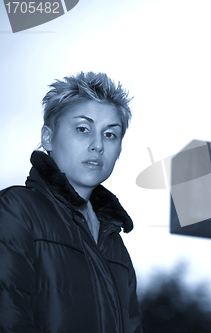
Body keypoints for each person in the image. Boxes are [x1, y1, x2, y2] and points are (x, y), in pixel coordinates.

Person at [0, 72, 142, 332]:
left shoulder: (114, 242)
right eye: (82, 129)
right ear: (47, 137)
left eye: (110, 134)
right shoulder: (15, 210)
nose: (97, 145)